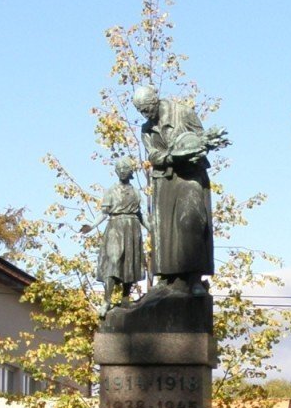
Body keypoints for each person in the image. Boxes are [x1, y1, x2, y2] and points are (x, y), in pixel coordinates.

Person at [131, 85, 229, 294]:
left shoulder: (182, 112)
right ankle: (169, 279)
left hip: (190, 175)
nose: (145, 113)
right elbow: (153, 155)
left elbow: (202, 140)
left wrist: (188, 151)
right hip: (165, 180)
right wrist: (170, 157)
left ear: (155, 99)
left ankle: (194, 280)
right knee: (165, 229)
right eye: (140, 110)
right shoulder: (146, 129)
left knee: (191, 221)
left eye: (146, 108)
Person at [96, 156, 146, 312]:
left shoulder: (136, 192)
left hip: (132, 227)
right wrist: (92, 226)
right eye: (120, 169)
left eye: (126, 168)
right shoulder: (111, 190)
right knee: (113, 260)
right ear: (116, 171)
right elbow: (104, 213)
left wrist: (154, 229)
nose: (123, 171)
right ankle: (106, 301)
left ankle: (125, 298)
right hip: (115, 227)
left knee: (130, 263)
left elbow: (141, 215)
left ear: (130, 171)